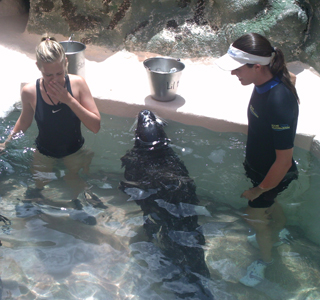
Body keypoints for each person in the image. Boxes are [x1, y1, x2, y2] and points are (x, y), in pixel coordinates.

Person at [215, 33, 299, 287]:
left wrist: (258, 190)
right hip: (261, 169)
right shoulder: (264, 83)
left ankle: (265, 261)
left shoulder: (278, 100)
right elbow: (290, 78)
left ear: (257, 67)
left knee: (253, 217)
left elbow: (284, 162)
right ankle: (280, 231)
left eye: (237, 69)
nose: (233, 74)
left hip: (271, 175)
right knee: (268, 206)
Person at [0, 36, 100, 203]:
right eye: (49, 75)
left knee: (74, 179)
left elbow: (95, 126)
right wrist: (6, 143)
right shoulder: (30, 92)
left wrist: (69, 100)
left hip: (74, 149)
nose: (55, 79)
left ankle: (80, 207)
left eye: (60, 73)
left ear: (66, 63)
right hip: (44, 151)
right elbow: (24, 121)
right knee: (38, 184)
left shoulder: (78, 84)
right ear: (39, 67)